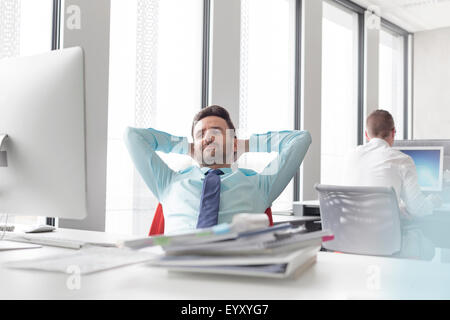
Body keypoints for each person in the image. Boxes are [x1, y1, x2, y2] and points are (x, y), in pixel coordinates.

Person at [124, 105, 312, 234]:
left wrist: (246, 145)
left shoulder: (261, 185)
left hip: (236, 273)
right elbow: (132, 136)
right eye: (200, 134)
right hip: (178, 270)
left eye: (216, 132)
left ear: (234, 141)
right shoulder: (168, 182)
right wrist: (184, 146)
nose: (208, 138)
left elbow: (300, 139)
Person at [343, 109, 442, 218]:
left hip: (349, 232)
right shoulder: (402, 160)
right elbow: (417, 209)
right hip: (384, 233)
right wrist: (432, 202)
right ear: (393, 132)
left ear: (366, 134)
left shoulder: (350, 156)